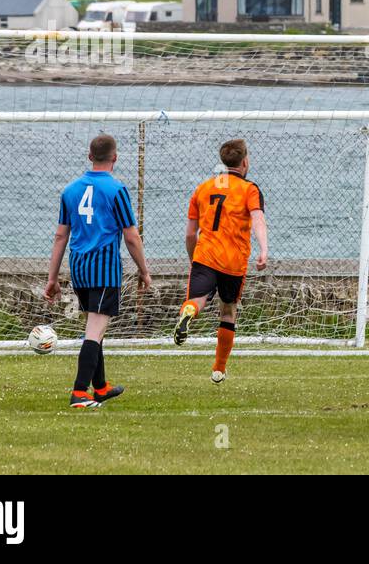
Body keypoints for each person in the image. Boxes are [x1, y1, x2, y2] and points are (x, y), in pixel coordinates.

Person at [44, 134, 151, 408]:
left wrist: (52, 278)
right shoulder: (116, 191)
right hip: (104, 270)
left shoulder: (70, 191)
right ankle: (80, 392)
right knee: (94, 330)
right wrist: (144, 270)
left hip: (78, 269)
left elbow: (60, 237)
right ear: (115, 157)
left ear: (90, 156)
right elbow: (131, 237)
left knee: (95, 325)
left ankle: (100, 387)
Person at [174, 139, 269, 385]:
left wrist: (193, 260)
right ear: (245, 162)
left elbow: (189, 234)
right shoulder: (250, 190)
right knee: (228, 311)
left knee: (197, 300)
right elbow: (258, 219)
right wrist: (264, 249)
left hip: (204, 256)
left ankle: (188, 312)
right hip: (233, 262)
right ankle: (218, 369)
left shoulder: (202, 188)